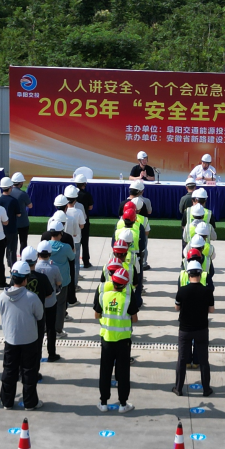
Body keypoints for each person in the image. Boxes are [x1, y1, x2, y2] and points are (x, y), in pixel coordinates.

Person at [0, 261, 45, 410]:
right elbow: (40, 315)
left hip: (10, 340)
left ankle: (7, 401)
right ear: (25, 279)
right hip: (29, 340)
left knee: (9, 371)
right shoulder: (32, 297)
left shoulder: (2, 296)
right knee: (29, 372)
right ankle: (30, 403)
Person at [95, 266, 136, 413]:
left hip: (107, 339)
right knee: (123, 372)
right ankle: (123, 404)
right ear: (125, 285)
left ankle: (103, 403)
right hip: (123, 341)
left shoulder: (103, 296)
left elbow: (97, 315)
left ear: (112, 281)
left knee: (105, 371)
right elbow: (135, 319)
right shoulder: (127, 299)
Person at [173, 260, 216, 396]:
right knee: (203, 360)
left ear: (188, 274)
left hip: (185, 330)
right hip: (201, 329)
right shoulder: (207, 291)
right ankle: (206, 389)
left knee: (182, 359)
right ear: (200, 274)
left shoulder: (182, 290)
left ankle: (178, 388)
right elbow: (211, 310)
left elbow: (177, 307)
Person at [34, 242, 65, 362]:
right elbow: (59, 283)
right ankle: (52, 353)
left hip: (37, 303)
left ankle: (37, 354)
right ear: (50, 254)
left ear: (38, 254)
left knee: (38, 329)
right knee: (51, 328)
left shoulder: (34, 268)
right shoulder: (54, 268)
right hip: (51, 302)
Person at [64, 185, 88, 292]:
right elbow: (82, 225)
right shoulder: (78, 211)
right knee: (75, 263)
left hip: (63, 240)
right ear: (75, 199)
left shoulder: (62, 211)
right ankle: (74, 284)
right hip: (76, 240)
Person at [72, 174, 94, 267]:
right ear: (84, 184)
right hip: (84, 221)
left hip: (73, 220)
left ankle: (73, 261)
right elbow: (90, 207)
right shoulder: (87, 195)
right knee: (85, 242)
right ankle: (86, 261)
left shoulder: (72, 194)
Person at [9, 173, 32, 254]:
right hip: (23, 222)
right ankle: (23, 256)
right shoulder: (23, 194)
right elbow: (30, 206)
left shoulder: (9, 193)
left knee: (11, 243)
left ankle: (11, 258)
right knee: (23, 241)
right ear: (20, 183)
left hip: (11, 222)